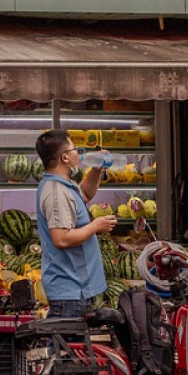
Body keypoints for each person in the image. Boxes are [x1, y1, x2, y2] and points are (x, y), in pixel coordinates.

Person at [34, 128, 118, 318]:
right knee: (65, 344)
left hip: (76, 289)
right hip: (69, 289)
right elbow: (61, 239)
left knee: (67, 344)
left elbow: (86, 194)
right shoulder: (56, 193)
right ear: (65, 157)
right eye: (75, 150)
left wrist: (96, 169)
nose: (79, 154)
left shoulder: (64, 184)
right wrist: (96, 226)